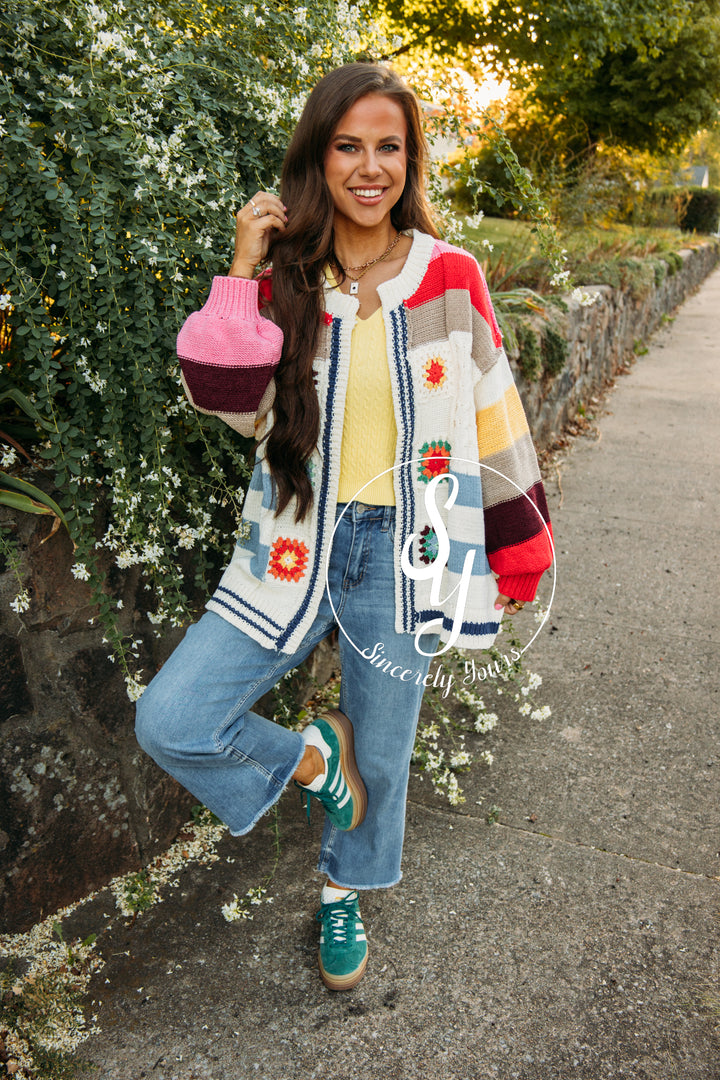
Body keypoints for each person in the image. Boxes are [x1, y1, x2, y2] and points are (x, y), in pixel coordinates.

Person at [135, 62, 553, 992]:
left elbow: (495, 414)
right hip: (287, 542)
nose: (371, 167)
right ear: (319, 157)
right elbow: (225, 402)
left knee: (387, 747)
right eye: (349, 146)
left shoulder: (451, 276)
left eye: (390, 147)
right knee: (172, 719)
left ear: (411, 160)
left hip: (407, 551)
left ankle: (340, 894)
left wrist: (519, 545)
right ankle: (316, 762)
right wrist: (242, 271)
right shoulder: (287, 276)